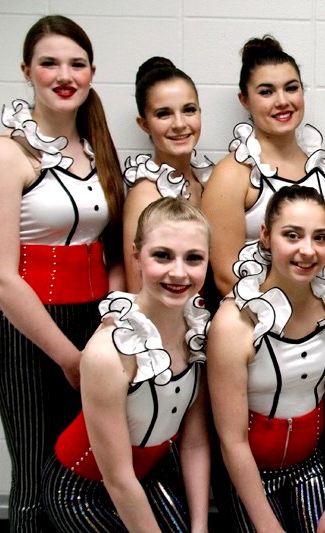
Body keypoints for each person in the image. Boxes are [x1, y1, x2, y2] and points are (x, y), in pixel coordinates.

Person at [0, 14, 125, 531]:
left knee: (84, 474)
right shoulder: (4, 154)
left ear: (92, 72)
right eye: (49, 63)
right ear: (26, 71)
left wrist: (111, 325)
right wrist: (68, 357)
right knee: (36, 481)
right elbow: (0, 277)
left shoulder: (97, 148)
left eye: (77, 64)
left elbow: (112, 251)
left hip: (96, 327)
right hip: (32, 339)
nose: (65, 75)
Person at [41, 196, 211, 531]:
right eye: (162, 255)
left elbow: (194, 442)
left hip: (146, 478)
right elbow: (117, 478)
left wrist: (201, 526)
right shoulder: (110, 351)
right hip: (80, 490)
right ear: (136, 255)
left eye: (193, 258)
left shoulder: (198, 333)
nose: (179, 272)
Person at [207, 185, 325, 532]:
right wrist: (266, 524)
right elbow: (231, 439)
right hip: (247, 473)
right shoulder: (234, 321)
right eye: (292, 235)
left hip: (310, 467)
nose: (308, 251)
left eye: (320, 238)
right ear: (265, 236)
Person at [202, 35, 325, 297]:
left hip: (318, 321)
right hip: (256, 323)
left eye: (291, 88)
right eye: (266, 91)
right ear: (245, 100)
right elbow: (224, 276)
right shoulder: (232, 174)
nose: (282, 101)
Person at [123, 56, 213, 293]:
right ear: (144, 124)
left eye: (189, 110)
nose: (180, 124)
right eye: (164, 114)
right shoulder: (145, 196)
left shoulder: (207, 181)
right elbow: (137, 291)